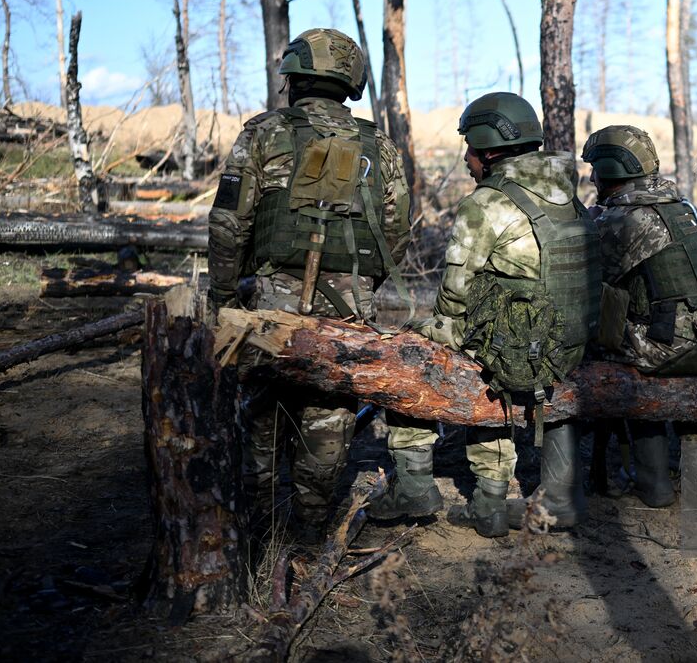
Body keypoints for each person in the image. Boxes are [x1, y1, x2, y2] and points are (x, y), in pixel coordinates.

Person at [207, 28, 410, 537]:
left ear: (293, 78)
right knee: (329, 419)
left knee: (260, 417)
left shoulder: (263, 132)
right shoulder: (379, 146)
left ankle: (256, 535)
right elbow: (397, 234)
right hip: (348, 311)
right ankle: (309, 537)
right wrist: (362, 284)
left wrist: (224, 297)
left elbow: (229, 223)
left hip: (268, 307)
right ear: (351, 82)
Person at [411, 92, 601, 537]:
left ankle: (476, 499)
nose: (466, 160)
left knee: (418, 347)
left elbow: (454, 295)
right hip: (576, 344)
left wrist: (431, 330)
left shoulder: (486, 204)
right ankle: (561, 495)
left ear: (489, 149)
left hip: (521, 354)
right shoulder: (567, 194)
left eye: (470, 150)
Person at [582, 126, 697, 507]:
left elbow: (586, 278)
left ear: (611, 171)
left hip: (672, 345)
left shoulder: (624, 219)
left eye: (595, 169)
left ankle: (652, 482)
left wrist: (588, 226)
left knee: (599, 341)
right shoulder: (682, 208)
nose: (591, 178)